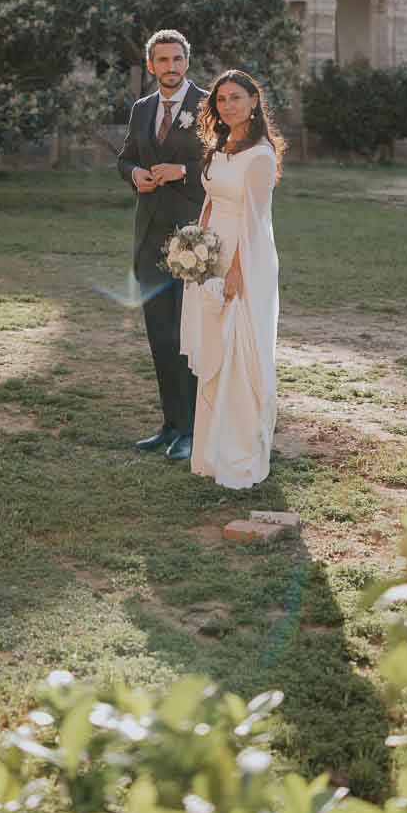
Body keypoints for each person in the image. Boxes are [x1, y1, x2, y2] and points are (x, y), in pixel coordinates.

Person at [180, 69, 283, 490]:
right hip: (211, 253)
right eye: (221, 100)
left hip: (245, 256)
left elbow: (254, 222)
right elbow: (210, 199)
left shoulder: (260, 155)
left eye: (236, 98)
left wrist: (236, 272)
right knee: (213, 349)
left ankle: (239, 454)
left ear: (253, 101)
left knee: (239, 351)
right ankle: (210, 452)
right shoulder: (219, 146)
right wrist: (193, 246)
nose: (228, 106)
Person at [117, 30, 208, 461]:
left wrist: (182, 172)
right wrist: (135, 174)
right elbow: (126, 157)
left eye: (177, 59)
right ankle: (170, 425)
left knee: (189, 335)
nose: (170, 68)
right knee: (160, 336)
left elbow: (219, 163)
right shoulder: (141, 109)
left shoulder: (210, 105)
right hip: (149, 237)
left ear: (186, 62)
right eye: (162, 61)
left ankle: (193, 430)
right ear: (150, 66)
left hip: (194, 240)